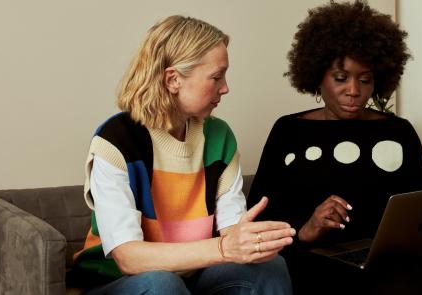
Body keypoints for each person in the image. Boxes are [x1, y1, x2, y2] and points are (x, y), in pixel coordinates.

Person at [247, 2, 422, 294]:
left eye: (365, 79)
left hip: (391, 271)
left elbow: (421, 221)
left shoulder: (398, 132)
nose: (354, 90)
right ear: (316, 74)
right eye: (341, 78)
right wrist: (306, 229)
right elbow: (256, 218)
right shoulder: (288, 131)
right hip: (312, 267)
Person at [71, 15, 296, 295]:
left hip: (191, 277)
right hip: (113, 283)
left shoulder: (219, 137)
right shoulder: (116, 140)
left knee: (270, 267)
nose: (225, 88)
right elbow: (128, 258)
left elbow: (231, 234)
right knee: (161, 283)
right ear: (173, 79)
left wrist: (249, 241)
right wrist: (225, 248)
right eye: (216, 77)